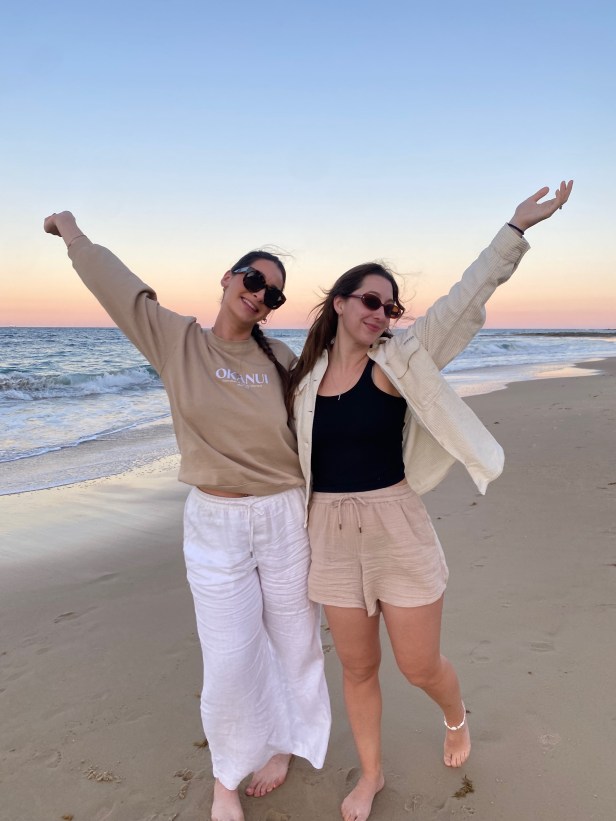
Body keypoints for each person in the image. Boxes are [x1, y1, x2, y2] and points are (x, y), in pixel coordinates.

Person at [286, 181, 573, 821]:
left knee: (417, 666)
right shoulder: (301, 381)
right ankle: (371, 775)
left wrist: (514, 230)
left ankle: (454, 716)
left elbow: (461, 302)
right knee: (357, 668)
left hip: (396, 526)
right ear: (339, 303)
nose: (381, 314)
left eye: (390, 307)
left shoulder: (400, 361)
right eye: (370, 301)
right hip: (327, 535)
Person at [43, 212, 331, 821]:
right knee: (229, 658)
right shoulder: (177, 341)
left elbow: (326, 413)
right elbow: (121, 290)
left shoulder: (281, 358)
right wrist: (73, 234)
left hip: (283, 516)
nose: (260, 294)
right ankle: (227, 776)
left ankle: (282, 745)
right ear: (228, 277)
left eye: (273, 294)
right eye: (253, 279)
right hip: (215, 522)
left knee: (296, 644)